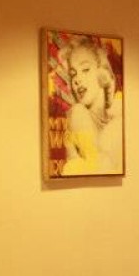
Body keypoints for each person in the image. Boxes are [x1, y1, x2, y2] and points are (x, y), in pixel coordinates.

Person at [58, 36, 123, 175]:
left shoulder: (119, 115)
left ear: (103, 72)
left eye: (85, 69)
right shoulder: (77, 114)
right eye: (73, 74)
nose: (77, 80)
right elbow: (99, 168)